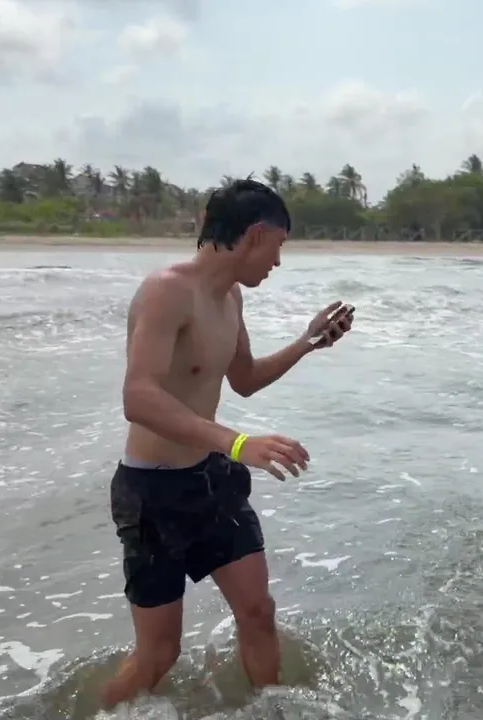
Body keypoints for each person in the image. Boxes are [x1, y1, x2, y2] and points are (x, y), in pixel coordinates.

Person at [98, 179, 355, 710]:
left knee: (258, 613)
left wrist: (309, 343)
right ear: (255, 235)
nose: (277, 262)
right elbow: (139, 397)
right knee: (159, 655)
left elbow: (244, 378)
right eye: (278, 247)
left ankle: (273, 710)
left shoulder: (229, 296)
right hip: (152, 494)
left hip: (212, 482)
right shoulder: (166, 291)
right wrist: (238, 445)